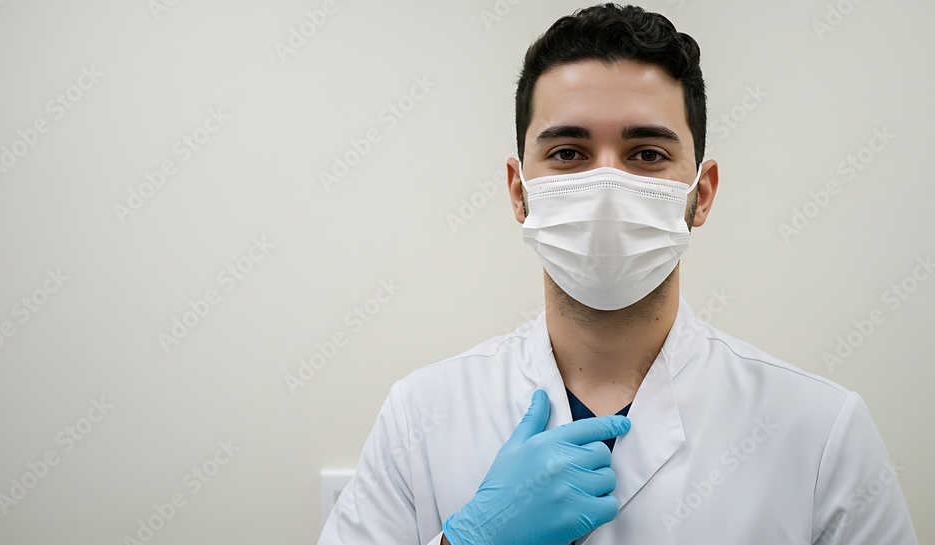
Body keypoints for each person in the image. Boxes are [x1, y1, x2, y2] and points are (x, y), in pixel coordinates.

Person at [317, 4, 919, 544]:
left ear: (702, 194)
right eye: (568, 153)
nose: (606, 185)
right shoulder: (422, 414)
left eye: (647, 154)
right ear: (519, 192)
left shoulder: (820, 431)